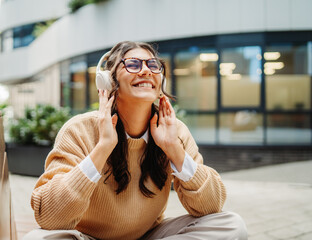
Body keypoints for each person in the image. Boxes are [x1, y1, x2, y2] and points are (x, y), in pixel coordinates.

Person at [24, 41, 247, 240]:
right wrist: (102, 148)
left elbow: (212, 205)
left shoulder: (173, 131)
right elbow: (49, 217)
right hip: (88, 237)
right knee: (36, 239)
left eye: (153, 65)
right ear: (109, 80)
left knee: (231, 225)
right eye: (132, 64)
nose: (145, 71)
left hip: (149, 236)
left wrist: (174, 150)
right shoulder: (79, 129)